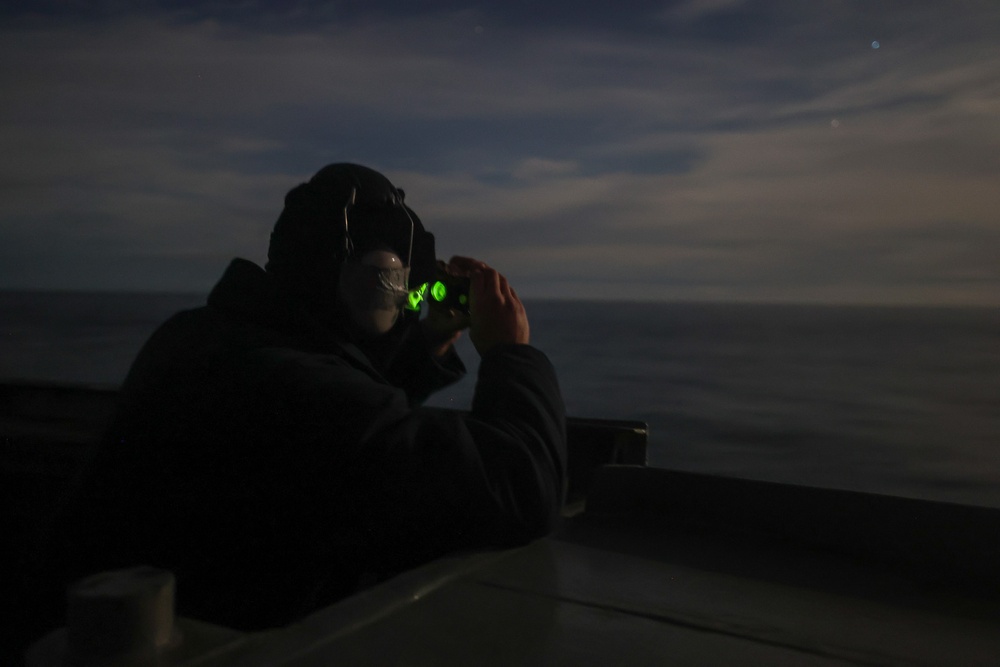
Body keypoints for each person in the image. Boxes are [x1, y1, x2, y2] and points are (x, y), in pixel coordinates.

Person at [34, 163, 566, 632]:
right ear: (373, 278)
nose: (410, 298)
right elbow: (520, 484)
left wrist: (428, 341)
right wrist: (507, 352)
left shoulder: (204, 335)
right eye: (402, 283)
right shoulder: (295, 392)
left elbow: (337, 403)